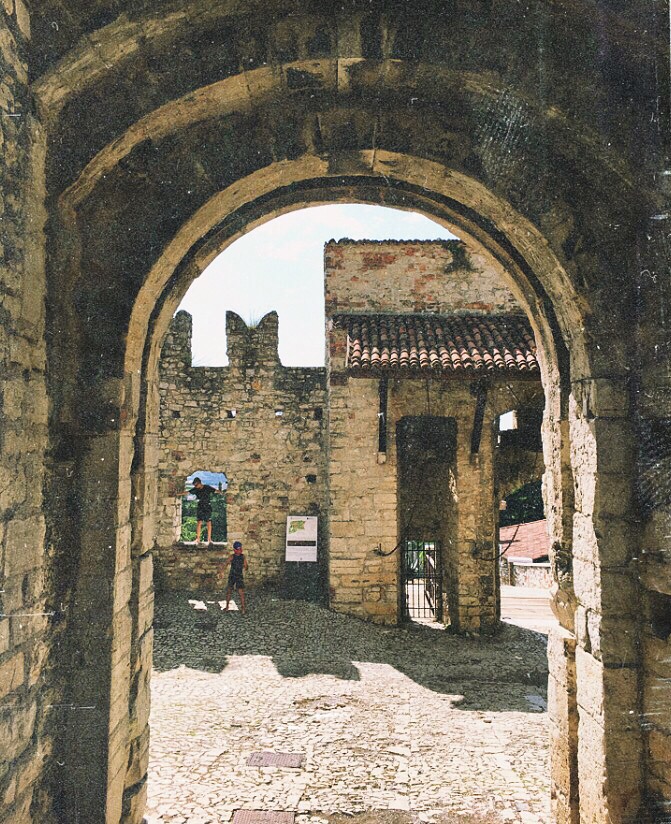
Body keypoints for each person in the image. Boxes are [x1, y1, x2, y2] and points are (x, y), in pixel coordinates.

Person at [180, 477, 223, 544]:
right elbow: (187, 492)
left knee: (208, 523)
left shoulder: (207, 487)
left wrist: (222, 492)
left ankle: (209, 540)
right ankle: (198, 539)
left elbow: (215, 491)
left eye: (196, 485)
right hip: (200, 506)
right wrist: (178, 494)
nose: (195, 486)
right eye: (194, 485)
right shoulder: (195, 489)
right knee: (199, 522)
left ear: (200, 483)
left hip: (207, 506)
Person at [222, 541, 248, 614]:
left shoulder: (243, 557)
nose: (240, 550)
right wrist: (221, 571)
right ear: (235, 550)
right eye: (239, 549)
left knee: (241, 592)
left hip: (239, 576)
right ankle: (227, 607)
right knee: (229, 591)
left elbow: (246, 566)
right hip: (232, 575)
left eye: (241, 548)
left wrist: (245, 566)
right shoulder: (232, 556)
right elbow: (225, 564)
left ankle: (243, 608)